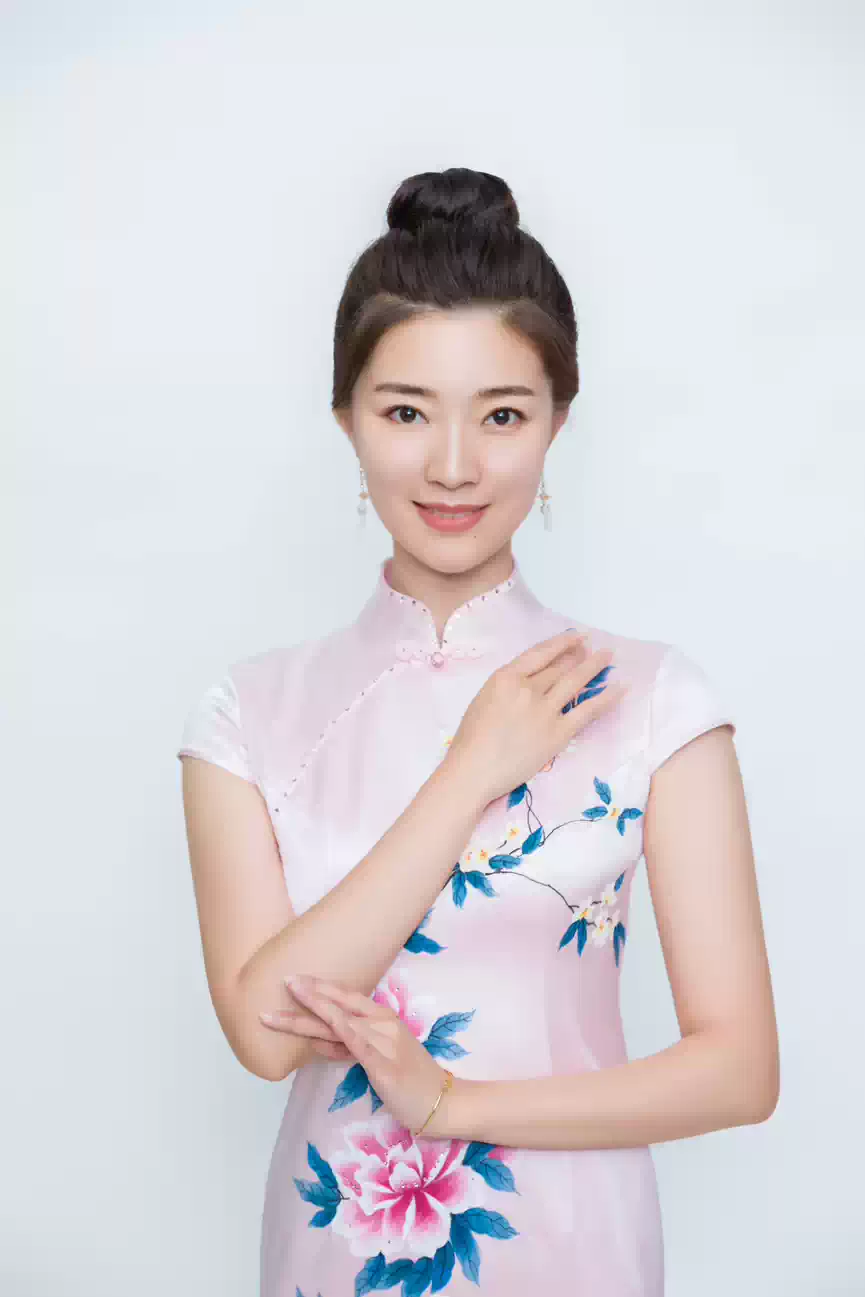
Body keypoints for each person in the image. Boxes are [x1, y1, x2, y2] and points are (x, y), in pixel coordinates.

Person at [177, 167, 778, 1297]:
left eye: (501, 414)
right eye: (405, 411)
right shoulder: (247, 715)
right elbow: (266, 1033)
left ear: (557, 421)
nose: (452, 465)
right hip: (334, 1255)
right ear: (345, 418)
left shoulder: (654, 701)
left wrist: (454, 1105)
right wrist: (472, 771)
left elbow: (739, 1071)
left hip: (577, 1249)